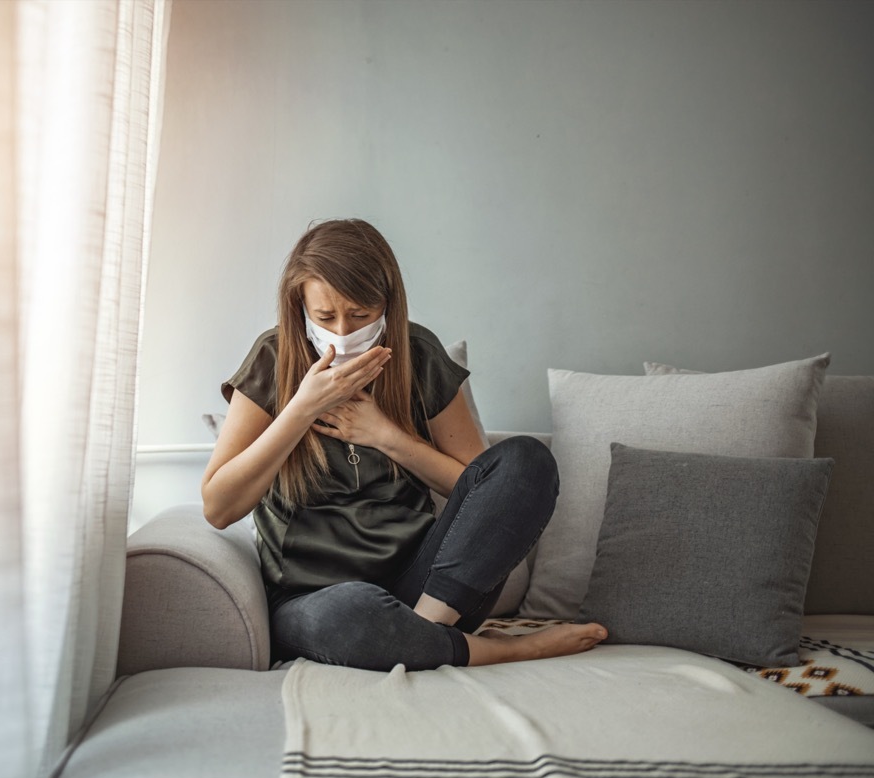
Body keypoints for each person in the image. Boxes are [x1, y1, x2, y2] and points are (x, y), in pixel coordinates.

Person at [202, 219, 607, 671]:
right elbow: (218, 507)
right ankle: (503, 649)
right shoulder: (272, 357)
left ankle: (417, 636)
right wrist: (300, 410)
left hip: (435, 590)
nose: (342, 330)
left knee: (527, 461)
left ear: (388, 304)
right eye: (325, 317)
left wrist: (386, 437)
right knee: (352, 613)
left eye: (360, 315)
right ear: (300, 307)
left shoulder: (418, 353)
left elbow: (485, 492)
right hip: (315, 601)